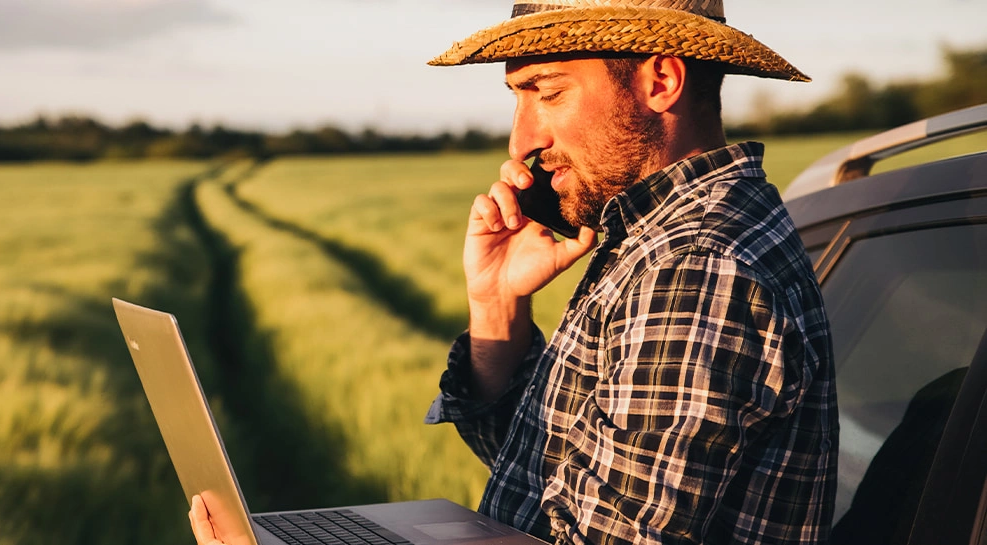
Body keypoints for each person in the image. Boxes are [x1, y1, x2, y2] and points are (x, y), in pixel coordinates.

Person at [193, 1, 837, 543]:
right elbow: (551, 480)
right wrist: (497, 303)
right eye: (517, 98)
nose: (520, 140)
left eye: (547, 92)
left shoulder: (698, 267)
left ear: (660, 81)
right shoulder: (655, 236)